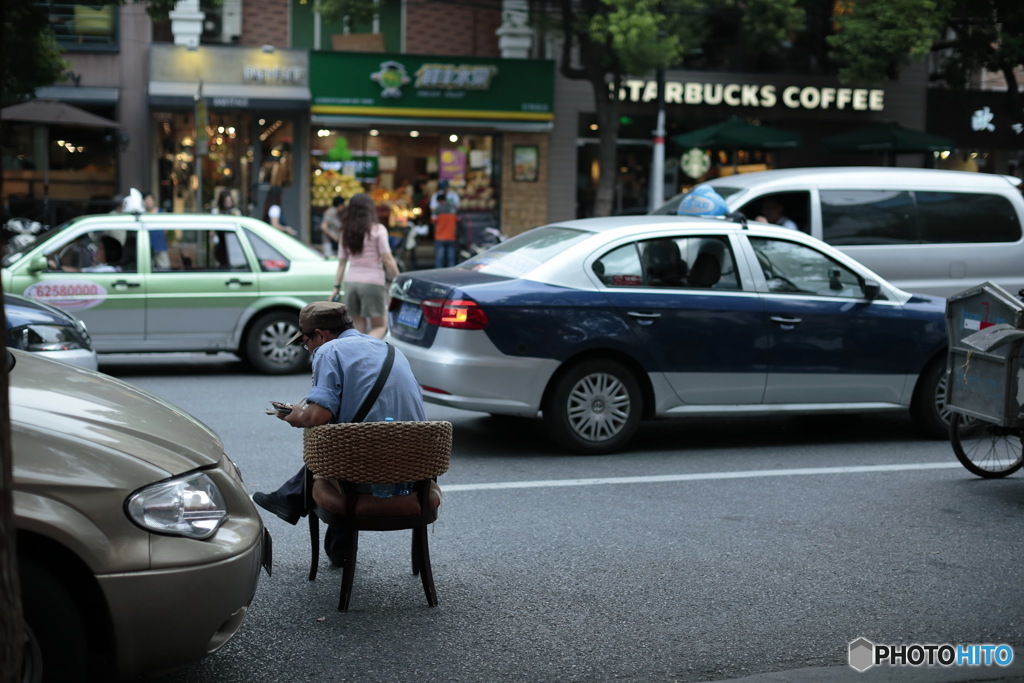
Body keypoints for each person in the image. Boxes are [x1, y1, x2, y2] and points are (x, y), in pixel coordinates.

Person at [251, 301, 426, 564]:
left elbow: (318, 418)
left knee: (334, 448)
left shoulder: (328, 351)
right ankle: (292, 502)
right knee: (351, 440)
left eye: (305, 342)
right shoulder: (389, 349)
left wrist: (297, 414)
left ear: (320, 335)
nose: (307, 349)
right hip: (413, 472)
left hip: (370, 477)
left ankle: (290, 499)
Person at [332, 193, 399, 339]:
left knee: (357, 329)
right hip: (372, 282)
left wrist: (336, 288)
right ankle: (367, 356)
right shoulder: (378, 230)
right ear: (370, 209)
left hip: (351, 283)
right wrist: (398, 279)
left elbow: (342, 263)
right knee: (380, 326)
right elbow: (387, 258)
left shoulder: (345, 231)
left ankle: (356, 358)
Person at [431, 189, 459, 268]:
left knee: (439, 259)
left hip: (440, 237)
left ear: (439, 201)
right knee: (451, 259)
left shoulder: (437, 209)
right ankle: (451, 276)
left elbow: (433, 221)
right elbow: (458, 220)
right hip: (451, 237)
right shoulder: (454, 208)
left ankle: (438, 276)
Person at [144, 192, 171, 268]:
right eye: (146, 201)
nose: (148, 203)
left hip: (160, 244)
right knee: (148, 267)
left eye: (150, 200)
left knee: (164, 267)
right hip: (147, 246)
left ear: (153, 201)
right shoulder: (143, 214)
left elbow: (166, 229)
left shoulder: (161, 212)